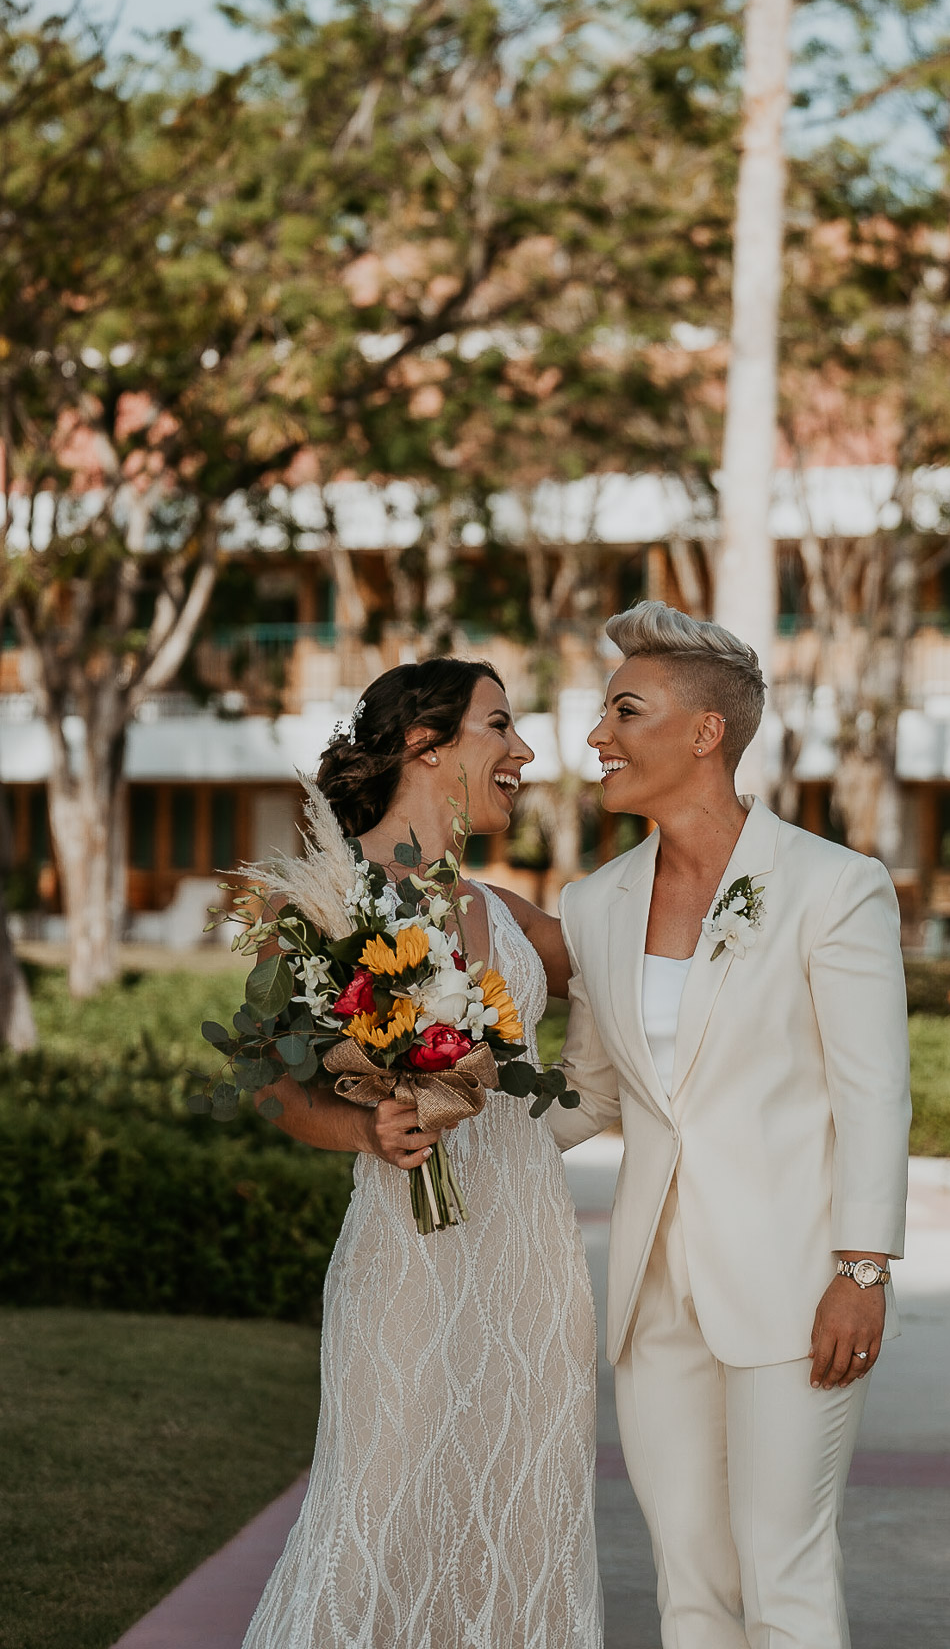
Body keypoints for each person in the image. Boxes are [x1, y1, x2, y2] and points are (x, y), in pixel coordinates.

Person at [550, 601, 911, 1649]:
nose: (597, 737)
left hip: (797, 1285)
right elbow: (596, 1092)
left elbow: (873, 1090)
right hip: (653, 1296)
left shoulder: (833, 888)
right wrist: (445, 1118)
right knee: (689, 1582)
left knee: (784, 1577)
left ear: (707, 733)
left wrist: (865, 1268)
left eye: (626, 711)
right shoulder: (596, 902)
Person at [241, 659, 602, 1649]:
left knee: (523, 1520)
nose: (524, 750)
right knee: (379, 1506)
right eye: (503, 725)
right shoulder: (318, 901)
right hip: (406, 1256)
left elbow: (650, 983)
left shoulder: (510, 910)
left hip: (531, 1261)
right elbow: (271, 1080)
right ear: (426, 748)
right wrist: (365, 1127)